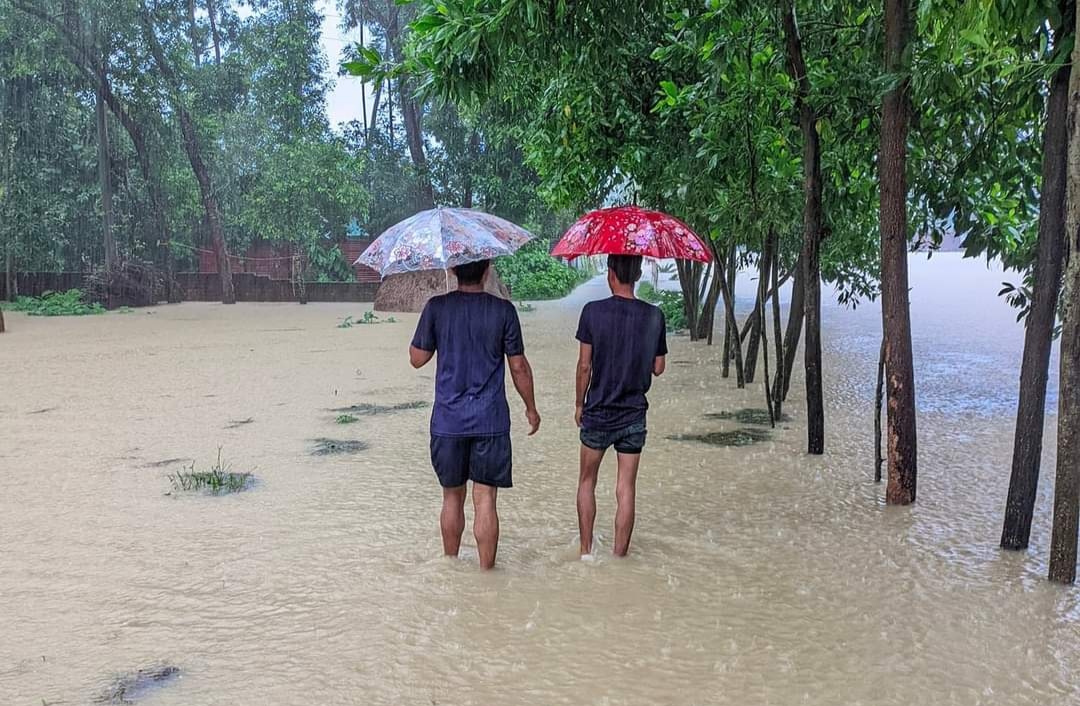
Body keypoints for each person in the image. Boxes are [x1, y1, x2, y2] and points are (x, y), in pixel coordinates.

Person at [409, 259, 541, 570]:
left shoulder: (436, 308)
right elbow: (518, 366)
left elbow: (416, 359)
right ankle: (486, 575)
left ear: (452, 270)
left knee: (451, 497)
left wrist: (439, 327)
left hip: (448, 422)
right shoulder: (504, 311)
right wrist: (531, 408)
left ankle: (451, 565)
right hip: (490, 420)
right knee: (485, 500)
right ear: (487, 270)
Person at [574, 254, 667, 558]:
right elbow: (658, 367)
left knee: (587, 481)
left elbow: (584, 366)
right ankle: (619, 557)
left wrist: (579, 404)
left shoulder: (592, 312)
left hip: (598, 411)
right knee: (625, 488)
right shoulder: (654, 316)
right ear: (638, 274)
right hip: (633, 414)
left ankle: (587, 552)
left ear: (610, 273)